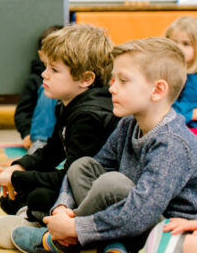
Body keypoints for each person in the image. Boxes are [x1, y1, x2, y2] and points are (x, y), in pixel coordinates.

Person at [11, 38, 197, 253]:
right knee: (82, 166)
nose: (112, 89)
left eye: (123, 81)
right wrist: (62, 207)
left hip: (160, 227)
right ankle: (108, 242)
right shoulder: (128, 124)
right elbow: (90, 168)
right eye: (113, 80)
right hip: (125, 217)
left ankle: (61, 241)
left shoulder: (172, 144)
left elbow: (141, 211)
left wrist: (75, 226)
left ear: (157, 90)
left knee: (112, 182)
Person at [0, 24, 119, 249]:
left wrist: (16, 179)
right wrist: (18, 168)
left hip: (93, 196)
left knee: (37, 196)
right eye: (46, 66)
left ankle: (38, 223)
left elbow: (70, 177)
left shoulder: (89, 116)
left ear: (85, 78)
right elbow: (53, 150)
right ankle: (30, 218)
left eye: (54, 70)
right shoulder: (69, 104)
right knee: (12, 196)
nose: (44, 74)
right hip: (75, 188)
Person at [14, 25, 62, 156]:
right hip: (44, 135)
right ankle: (40, 142)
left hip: (65, 135)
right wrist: (26, 133)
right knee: (48, 88)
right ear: (41, 55)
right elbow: (22, 112)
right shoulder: (36, 79)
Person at [165, 16, 197, 134]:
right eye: (174, 42)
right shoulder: (164, 72)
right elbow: (164, 108)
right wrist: (191, 113)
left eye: (186, 44)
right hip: (173, 128)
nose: (178, 48)